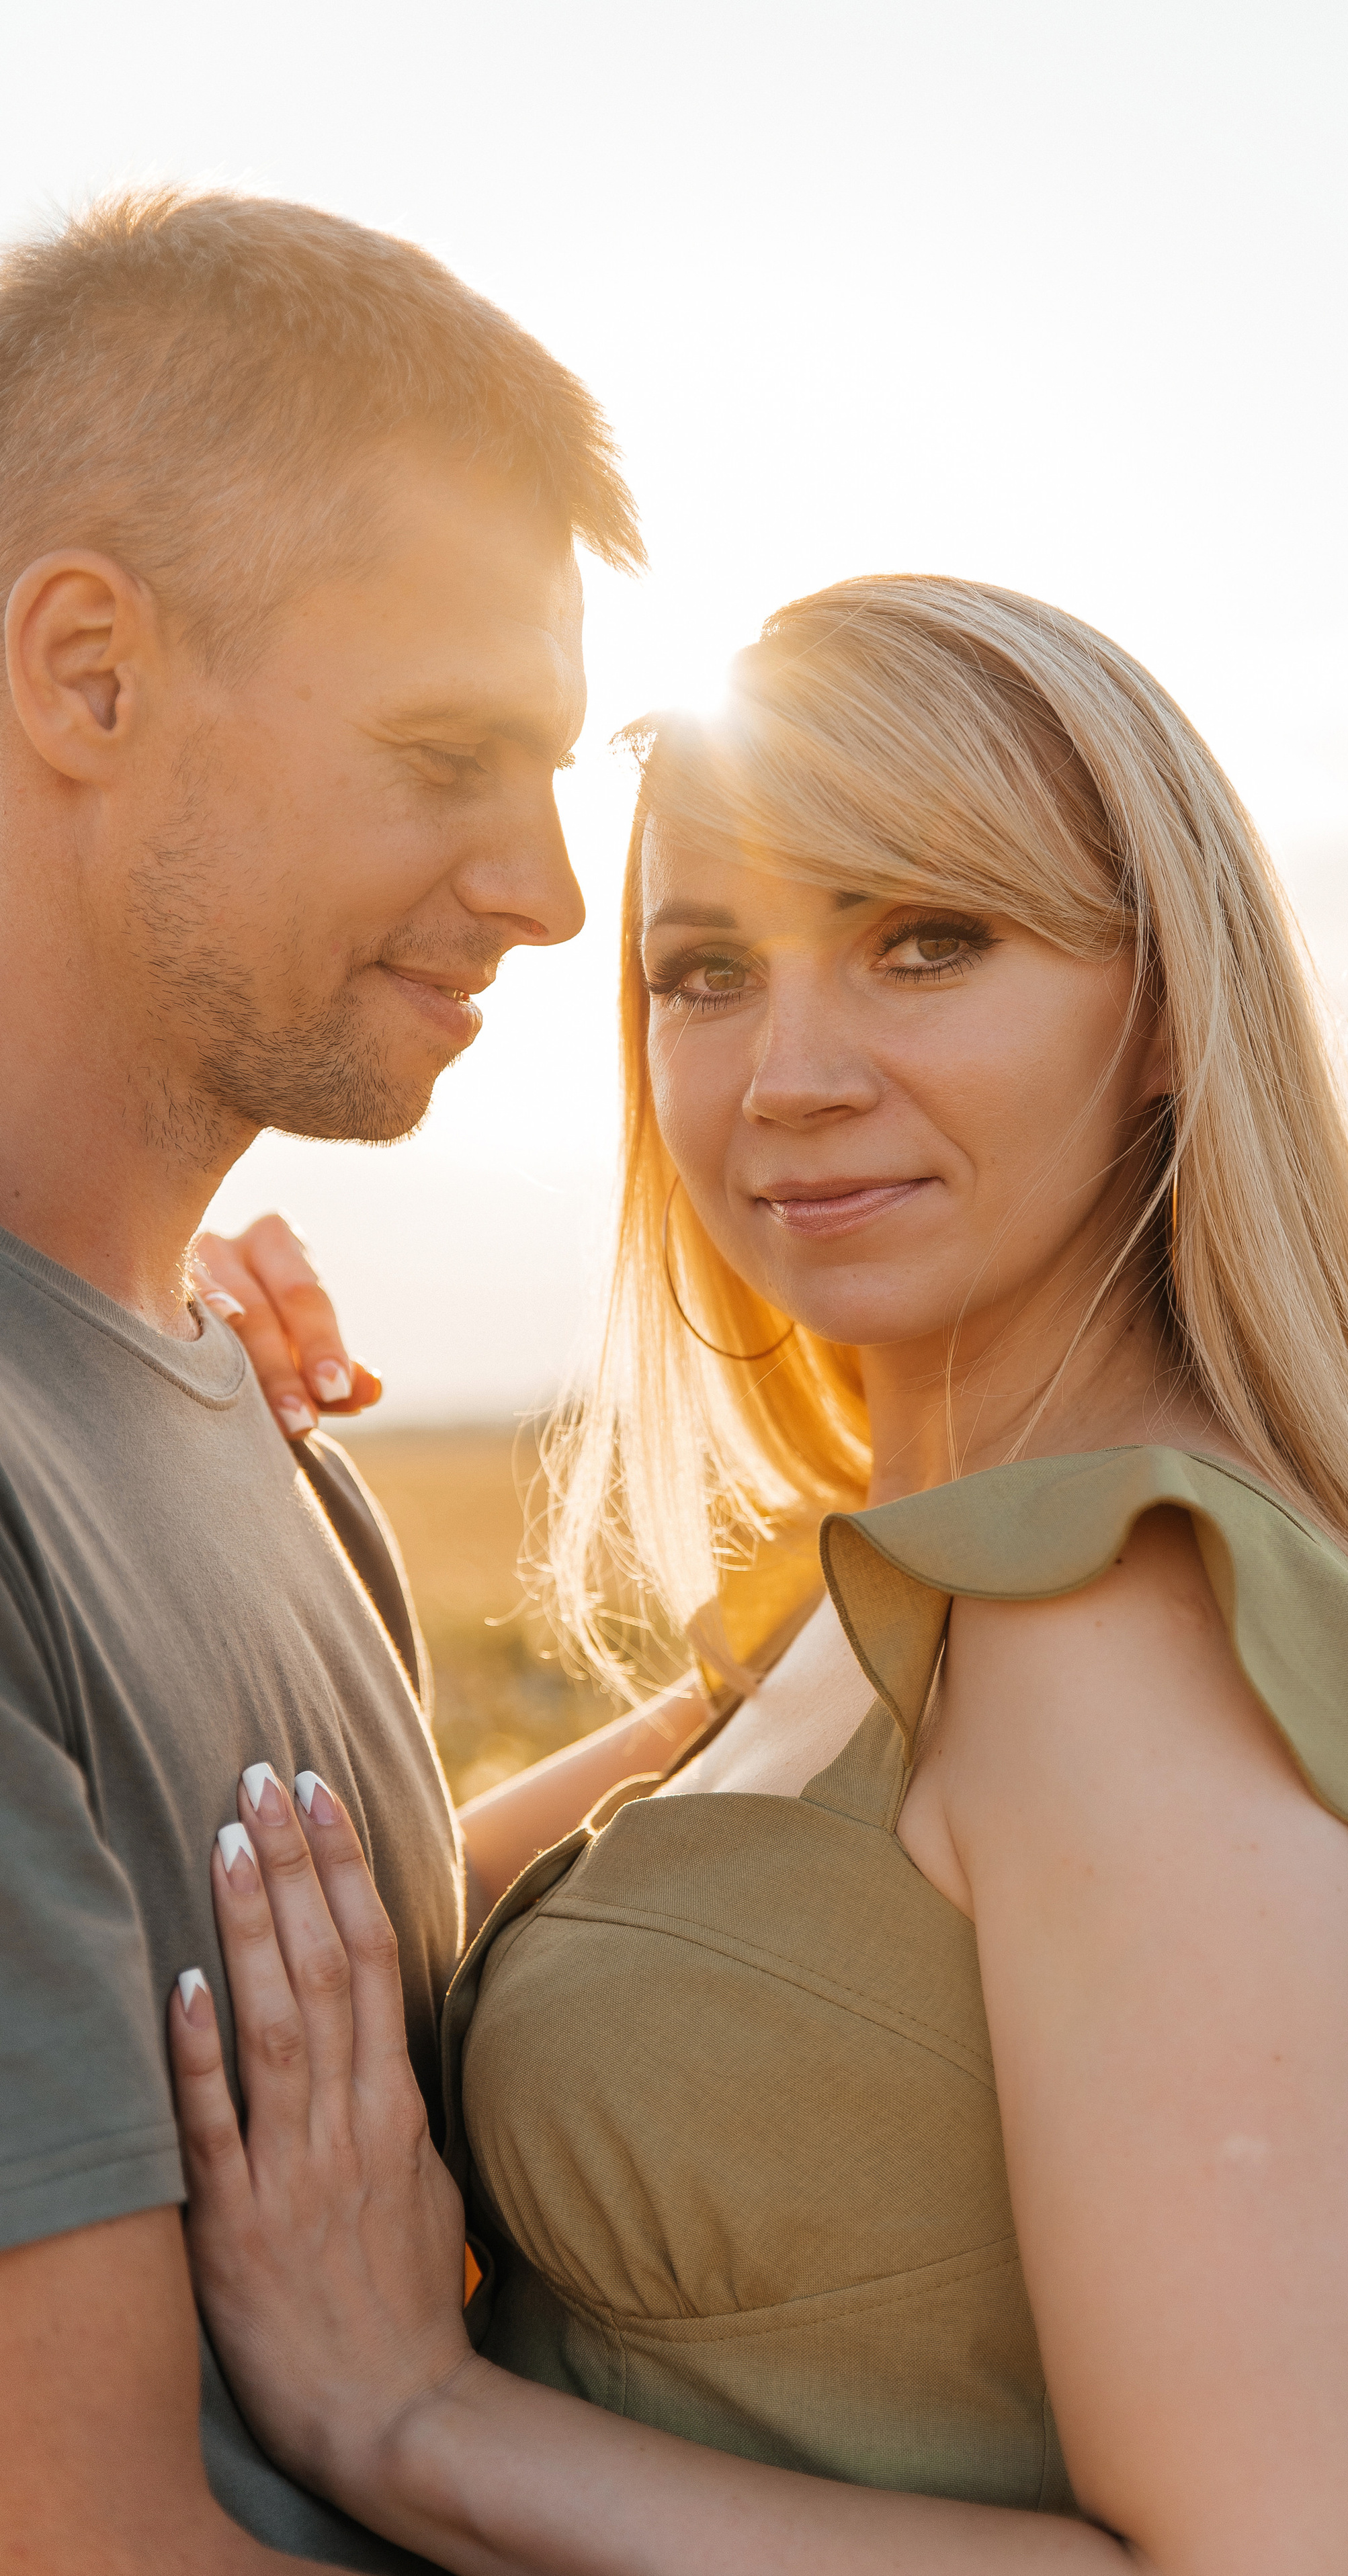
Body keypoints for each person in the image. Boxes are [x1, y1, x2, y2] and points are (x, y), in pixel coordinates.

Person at [179, 577, 1348, 2573]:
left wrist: (411, 2418)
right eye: (704, 971)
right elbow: (342, 1941)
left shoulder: (1119, 1627)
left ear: (1160, 1014)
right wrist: (174, 1397)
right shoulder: (888, 1600)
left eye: (924, 941)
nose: (786, 1072)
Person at [0, 185, 640, 2575]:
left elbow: (291, 2005)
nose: (554, 890)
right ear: (87, 674)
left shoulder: (246, 1414)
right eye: (449, 750)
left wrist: (799, 1679)